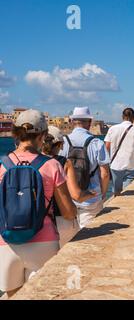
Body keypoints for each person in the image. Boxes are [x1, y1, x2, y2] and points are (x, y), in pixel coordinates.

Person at [0, 110, 77, 298]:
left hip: (7, 243)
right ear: (43, 136)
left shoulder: (2, 165)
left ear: (16, 133)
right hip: (43, 242)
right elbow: (68, 212)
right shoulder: (52, 165)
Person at [42, 126, 96, 246]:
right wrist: (91, 193)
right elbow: (77, 195)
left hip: (38, 221)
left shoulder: (33, 161)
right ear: (60, 145)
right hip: (61, 220)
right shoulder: (64, 162)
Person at [59, 107, 110, 228]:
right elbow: (105, 174)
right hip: (91, 197)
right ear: (89, 122)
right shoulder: (97, 143)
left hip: (68, 197)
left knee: (70, 237)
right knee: (89, 234)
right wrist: (102, 194)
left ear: (72, 122)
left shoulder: (63, 142)